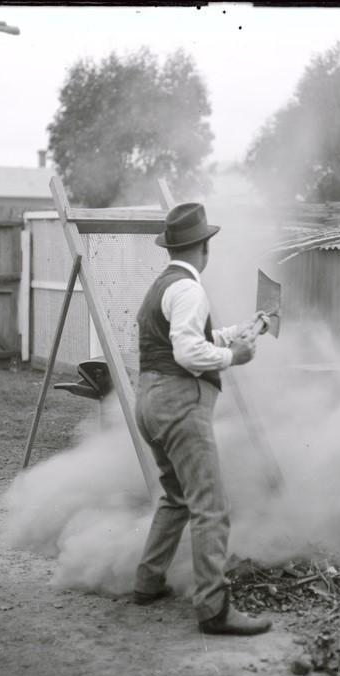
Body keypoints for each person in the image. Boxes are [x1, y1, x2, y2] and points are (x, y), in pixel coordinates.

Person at [132, 202, 272, 636]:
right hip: (179, 404)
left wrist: (239, 330)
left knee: (176, 496)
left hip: (149, 400)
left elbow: (192, 337)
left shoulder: (164, 285)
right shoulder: (191, 290)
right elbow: (188, 352)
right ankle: (213, 609)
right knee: (210, 507)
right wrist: (236, 356)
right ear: (203, 247)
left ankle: (147, 582)